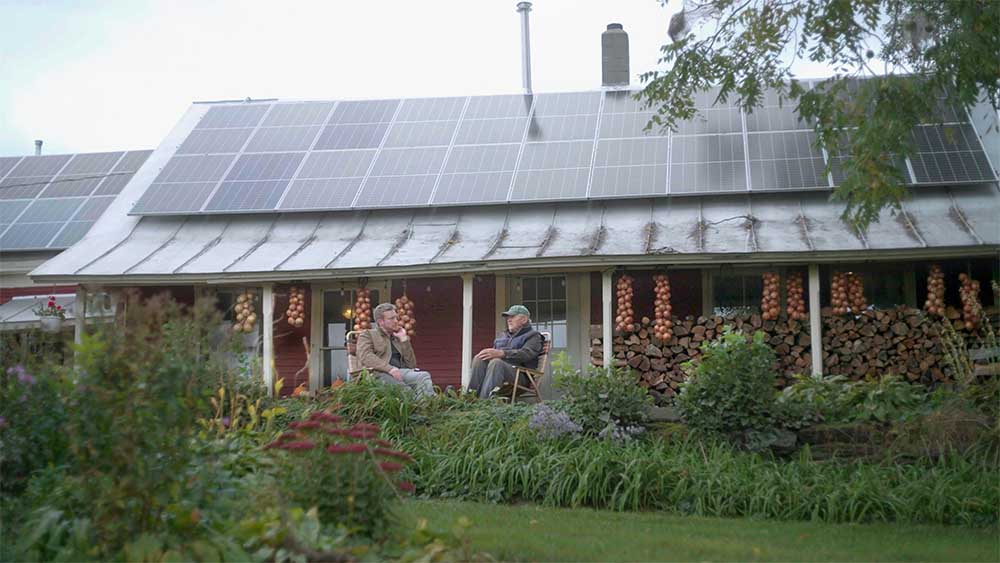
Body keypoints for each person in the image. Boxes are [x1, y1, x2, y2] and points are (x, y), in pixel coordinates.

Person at [356, 302, 435, 397]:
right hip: (379, 375)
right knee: (408, 392)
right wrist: (390, 369)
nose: (396, 321)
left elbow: (411, 365)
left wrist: (404, 340)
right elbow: (366, 357)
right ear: (381, 322)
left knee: (423, 376)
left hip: (400, 373)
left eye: (396, 318)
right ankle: (426, 406)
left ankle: (424, 408)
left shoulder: (397, 337)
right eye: (391, 318)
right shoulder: (368, 335)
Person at [467, 304, 543, 398]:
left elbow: (526, 354)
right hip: (497, 373)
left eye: (512, 316)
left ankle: (484, 403)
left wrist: (503, 353)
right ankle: (470, 399)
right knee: (479, 359)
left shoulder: (533, 336)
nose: (508, 320)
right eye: (508, 317)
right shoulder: (502, 336)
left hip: (520, 375)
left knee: (496, 363)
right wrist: (488, 354)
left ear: (524, 319)